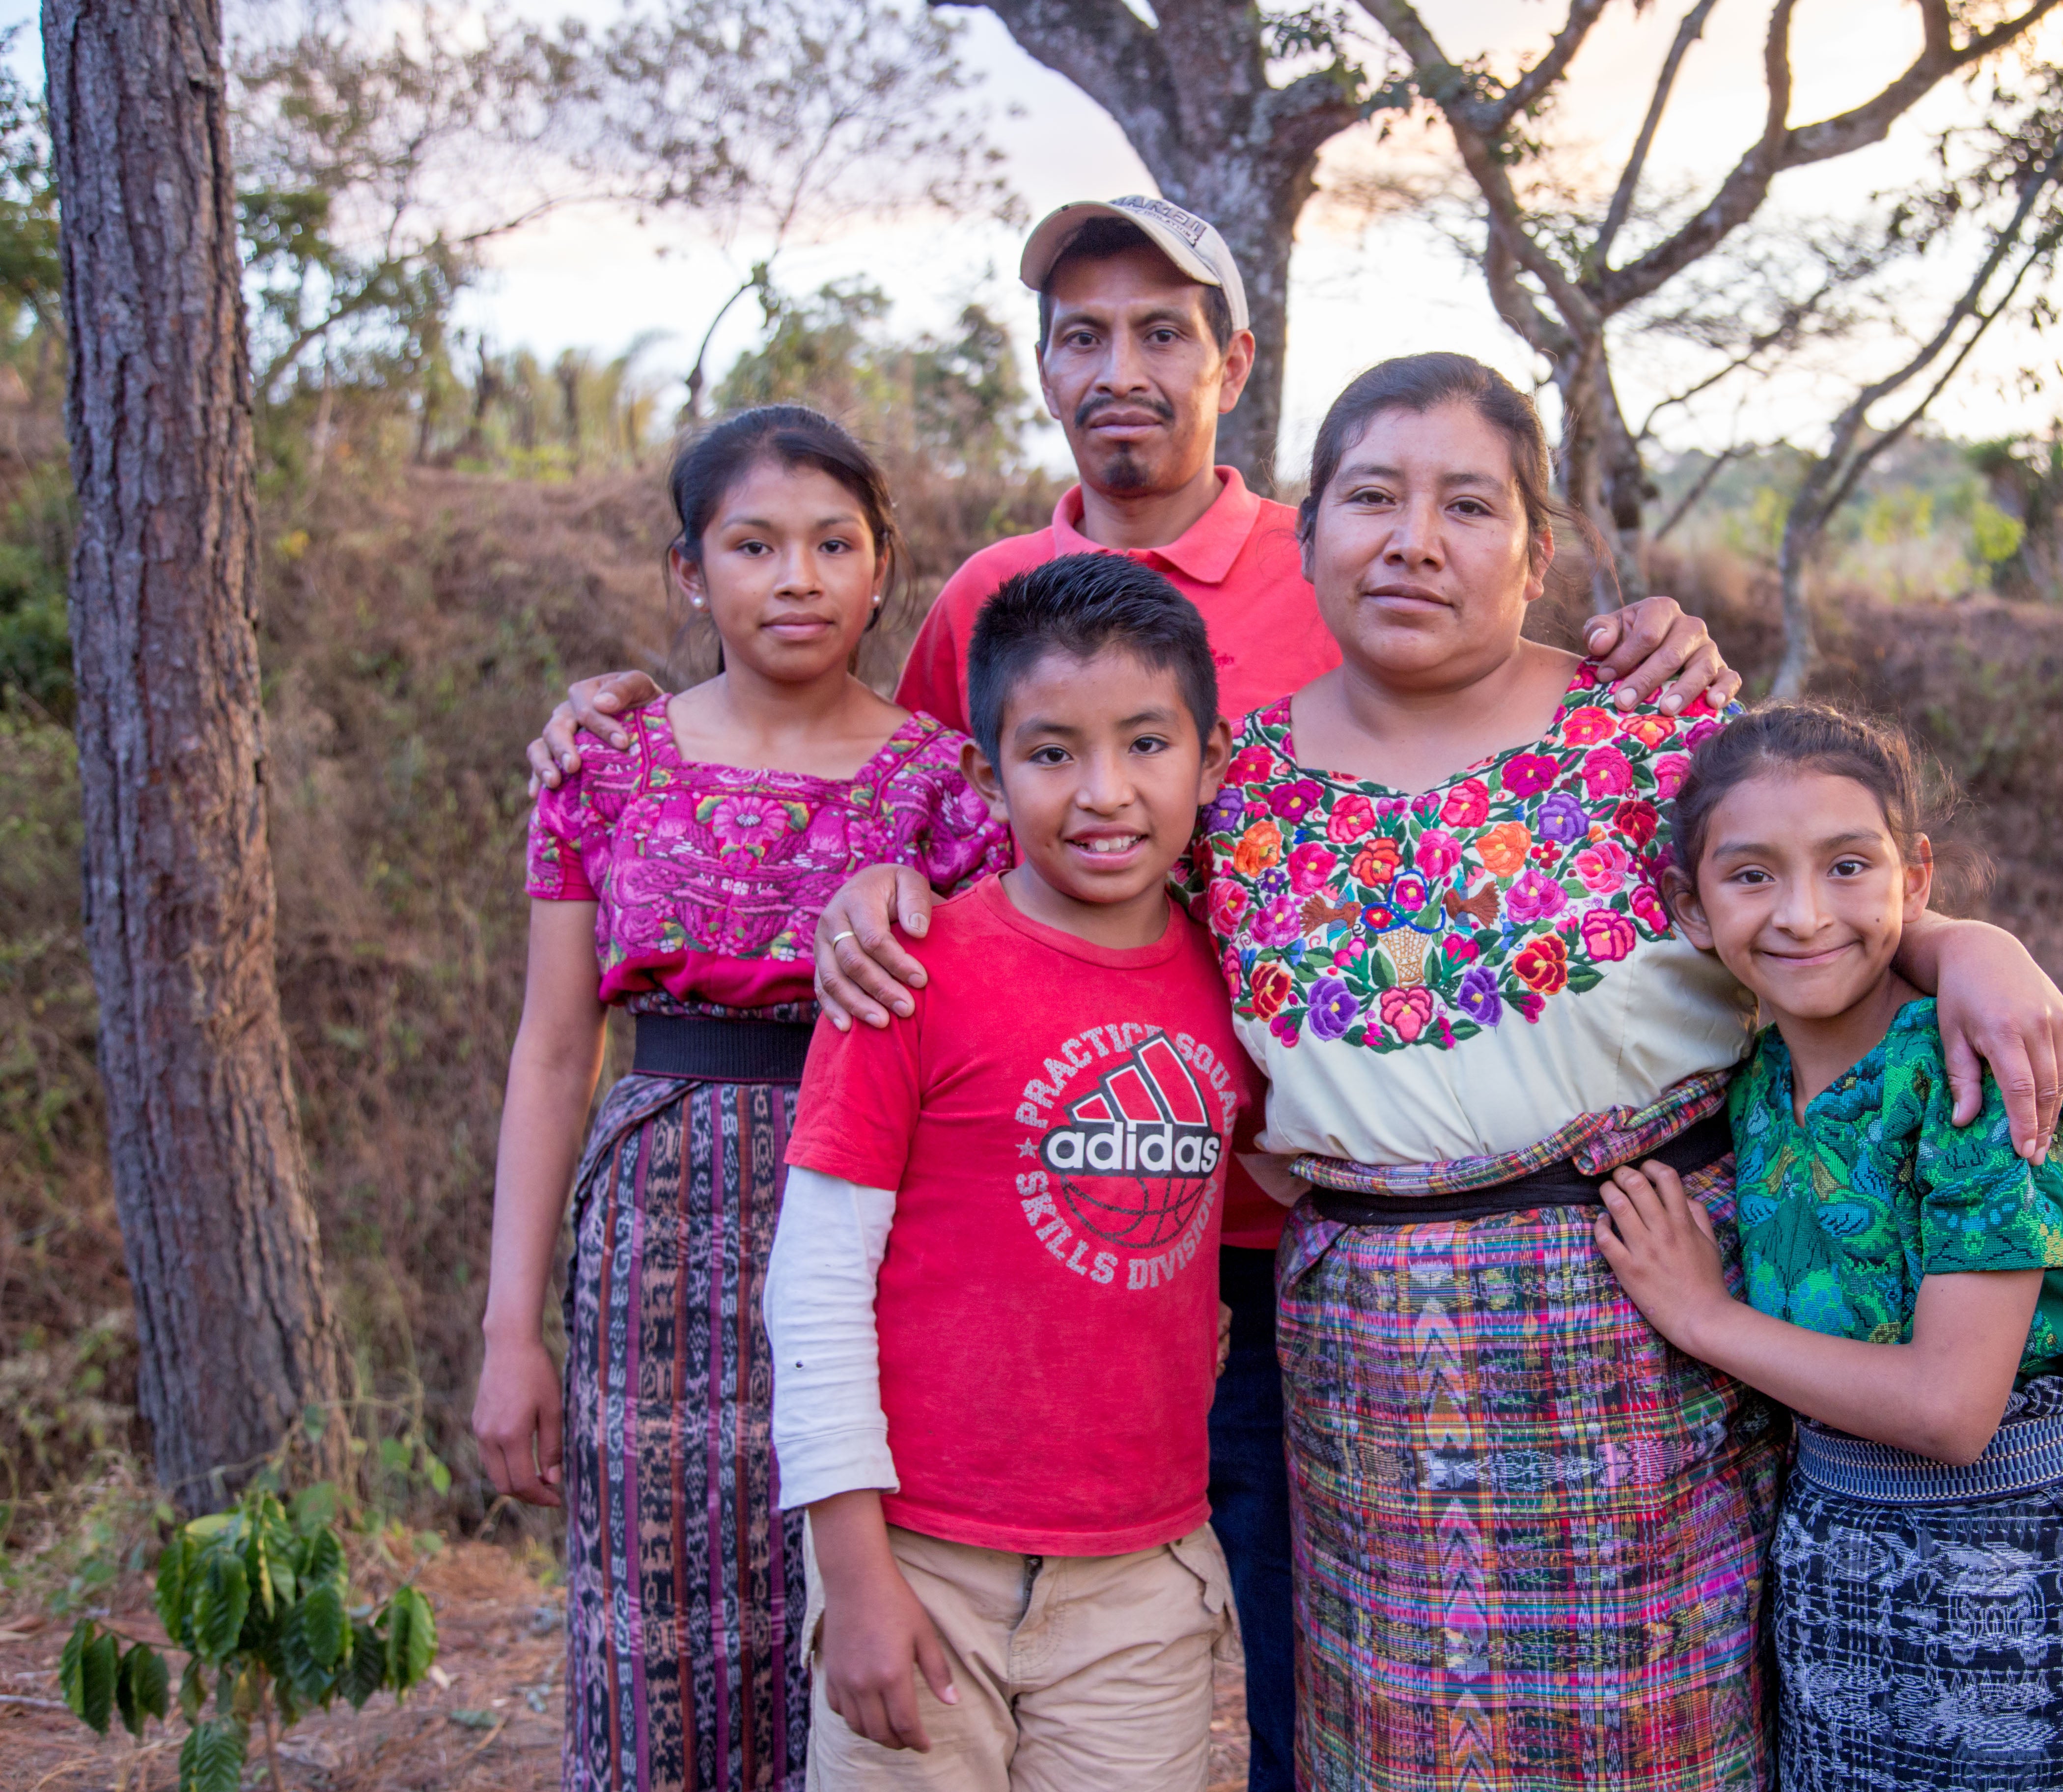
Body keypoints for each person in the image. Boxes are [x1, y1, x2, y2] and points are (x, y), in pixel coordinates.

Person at [524, 197, 1740, 1792]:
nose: (1123, 368)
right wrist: (854, 875)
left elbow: (1779, 868)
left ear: (1234, 361)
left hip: (1284, 1253)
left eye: (1162, 330)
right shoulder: (989, 599)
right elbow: (911, 791)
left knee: (1286, 1679)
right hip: (1074, 1257)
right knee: (1325, 1678)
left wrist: (1669, 652)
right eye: (1083, 333)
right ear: (1040, 364)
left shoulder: (1374, 588)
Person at [820, 353, 2063, 1791]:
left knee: (1668, 1748)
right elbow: (1046, 922)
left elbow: (1815, 915)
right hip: (1368, 1377)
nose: (1414, 539)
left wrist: (1960, 942)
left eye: (1468, 506)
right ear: (1310, 540)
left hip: (1647, 1337)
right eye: (1371, 496)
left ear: (1538, 555)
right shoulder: (1226, 793)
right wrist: (876, 893)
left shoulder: (1658, 740)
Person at [473, 406, 1009, 1792]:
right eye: (754, 544)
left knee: (848, 1600)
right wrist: (506, 1332)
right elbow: (550, 1049)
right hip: (652, 1233)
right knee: (652, 1620)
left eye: (835, 544)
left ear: (883, 568)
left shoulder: (945, 790)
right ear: (686, 572)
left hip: (875, 1229)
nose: (796, 578)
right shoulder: (602, 769)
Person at [1595, 701, 2063, 1792]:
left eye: (1847, 867)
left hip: (2019, 1574)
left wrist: (1705, 1318)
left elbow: (1952, 1410)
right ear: (1692, 907)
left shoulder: (1972, 1082)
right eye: (1753, 876)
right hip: (1830, 1563)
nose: (1805, 915)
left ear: (1916, 879)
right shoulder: (1756, 1081)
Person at [766, 554, 1257, 1791]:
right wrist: (856, 1575)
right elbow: (815, 1283)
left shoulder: (1243, 983)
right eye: (1052, 754)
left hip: (1143, 1577)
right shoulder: (908, 969)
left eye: (1148, 744)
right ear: (987, 775)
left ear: (1209, 755)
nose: (1105, 793)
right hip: (924, 1562)